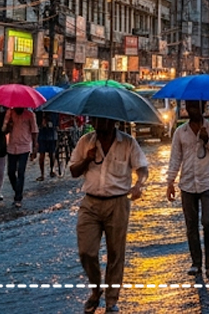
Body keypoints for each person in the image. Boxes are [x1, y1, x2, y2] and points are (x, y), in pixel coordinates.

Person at [71, 116, 150, 312]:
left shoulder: (128, 143)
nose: (98, 126)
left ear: (113, 122)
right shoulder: (85, 142)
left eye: (103, 122)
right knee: (86, 251)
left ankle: (112, 300)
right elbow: (73, 170)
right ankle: (96, 289)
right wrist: (87, 159)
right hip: (90, 202)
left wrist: (138, 185)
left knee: (116, 254)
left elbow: (142, 168)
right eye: (95, 121)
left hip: (118, 202)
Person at [166, 100, 209, 278]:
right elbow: (175, 158)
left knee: (208, 222)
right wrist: (170, 181)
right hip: (187, 184)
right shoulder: (180, 132)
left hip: (208, 183)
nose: (192, 110)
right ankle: (196, 262)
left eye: (195, 106)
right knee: (191, 225)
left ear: (202, 108)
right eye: (189, 106)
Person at [3, 106, 38, 207]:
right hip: (12, 146)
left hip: (25, 146)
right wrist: (8, 125)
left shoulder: (30, 115)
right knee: (10, 172)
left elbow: (34, 131)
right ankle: (17, 190)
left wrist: (35, 146)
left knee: (21, 172)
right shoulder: (10, 113)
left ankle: (18, 197)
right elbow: (4, 130)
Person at [36, 112, 58, 180]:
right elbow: (37, 124)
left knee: (52, 154)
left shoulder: (54, 113)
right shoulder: (38, 112)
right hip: (42, 136)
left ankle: (52, 170)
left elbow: (56, 123)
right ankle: (42, 174)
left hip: (52, 135)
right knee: (42, 155)